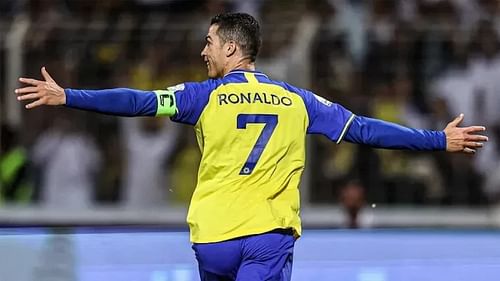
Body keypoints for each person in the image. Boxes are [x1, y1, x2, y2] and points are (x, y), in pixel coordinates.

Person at [15, 12, 487, 281]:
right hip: (266, 237)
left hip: (213, 239)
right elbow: (365, 129)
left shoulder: (202, 97)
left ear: (230, 50)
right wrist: (436, 139)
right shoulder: (298, 100)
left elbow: (137, 102)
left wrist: (69, 96)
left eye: (209, 43)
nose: (203, 52)